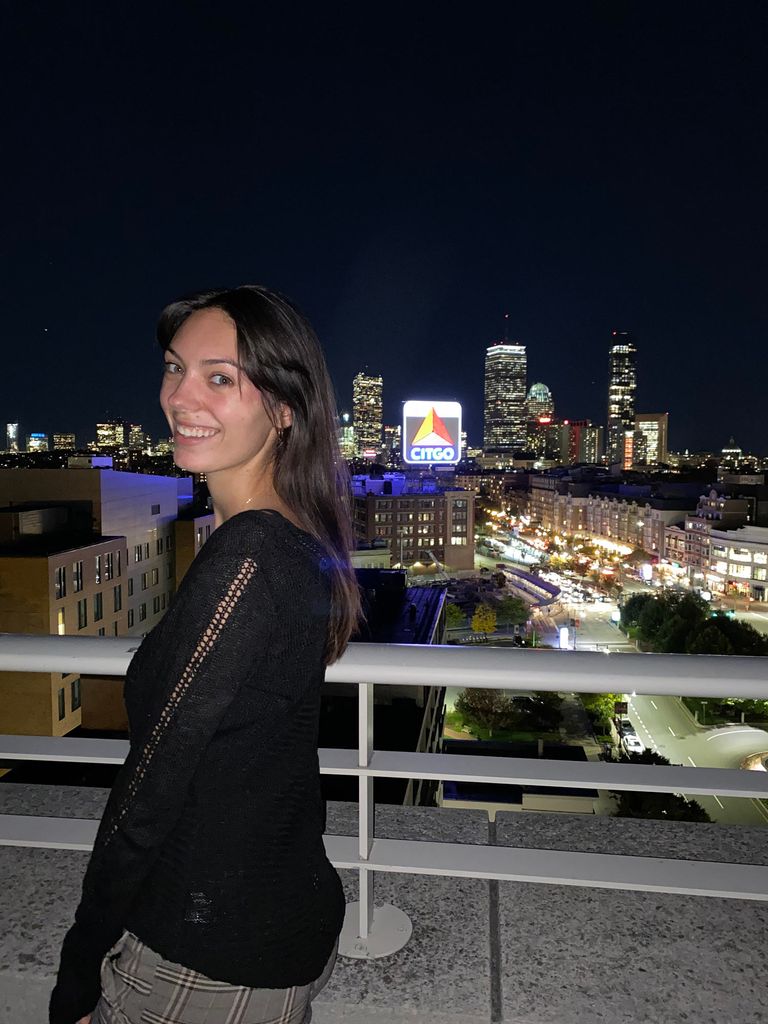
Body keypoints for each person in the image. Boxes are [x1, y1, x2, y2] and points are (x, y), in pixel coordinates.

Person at [49, 285, 362, 1024]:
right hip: (266, 914)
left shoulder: (250, 556)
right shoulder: (287, 537)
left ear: (285, 408)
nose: (179, 396)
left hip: (205, 954)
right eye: (174, 368)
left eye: (220, 378)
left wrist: (77, 972)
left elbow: (147, 796)